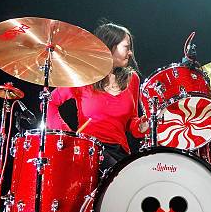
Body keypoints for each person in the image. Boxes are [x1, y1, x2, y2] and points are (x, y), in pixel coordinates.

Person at [47, 20, 148, 168]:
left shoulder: (132, 79)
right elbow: (51, 102)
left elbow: (131, 122)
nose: (131, 52)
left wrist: (141, 126)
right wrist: (69, 137)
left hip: (120, 153)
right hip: (89, 150)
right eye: (127, 47)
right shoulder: (84, 76)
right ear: (110, 47)